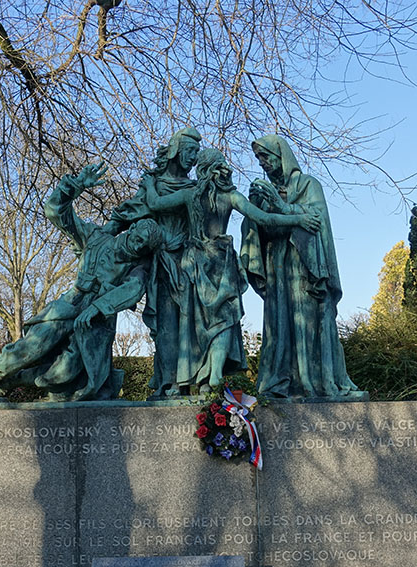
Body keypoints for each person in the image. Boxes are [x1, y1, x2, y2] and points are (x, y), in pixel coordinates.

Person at [0, 163, 164, 401]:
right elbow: (56, 212)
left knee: (64, 373)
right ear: (132, 230)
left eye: (145, 245)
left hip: (96, 323)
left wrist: (96, 308)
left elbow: (133, 290)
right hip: (70, 305)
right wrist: (75, 187)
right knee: (28, 349)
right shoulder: (95, 238)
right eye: (139, 238)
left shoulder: (138, 267)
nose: (139, 245)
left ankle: (10, 382)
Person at [143, 148, 321, 392]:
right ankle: (214, 373)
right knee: (224, 318)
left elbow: (155, 203)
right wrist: (297, 220)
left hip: (195, 261)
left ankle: (201, 377)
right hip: (222, 260)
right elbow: (264, 219)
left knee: (197, 323)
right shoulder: (231, 196)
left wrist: (150, 182)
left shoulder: (190, 194)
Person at [240, 134, 359, 398]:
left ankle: (314, 382)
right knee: (279, 326)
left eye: (266, 156)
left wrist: (282, 208)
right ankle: (279, 383)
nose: (263, 163)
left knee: (308, 322)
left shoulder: (308, 185)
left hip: (304, 268)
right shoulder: (263, 190)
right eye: (259, 158)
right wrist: (259, 214)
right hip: (277, 267)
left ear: (281, 156)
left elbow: (317, 222)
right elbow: (256, 227)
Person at [105, 128, 202, 398]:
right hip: (162, 265)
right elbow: (127, 214)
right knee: (167, 325)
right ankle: (168, 381)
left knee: (189, 325)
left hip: (188, 263)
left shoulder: (191, 190)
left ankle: (186, 381)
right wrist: (100, 240)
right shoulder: (156, 185)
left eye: (196, 154)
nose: (194, 159)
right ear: (176, 151)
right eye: (190, 152)